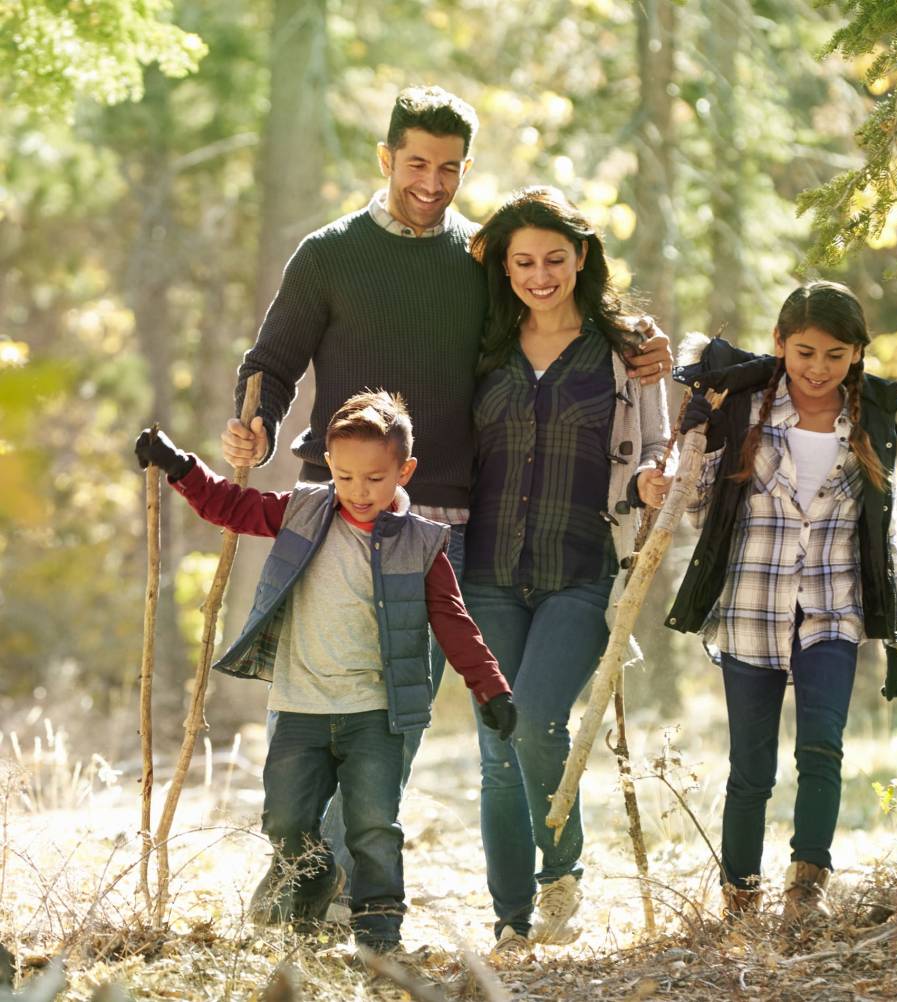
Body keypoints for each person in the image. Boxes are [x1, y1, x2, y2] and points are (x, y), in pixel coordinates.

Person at [218, 86, 671, 886]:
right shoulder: (328, 253)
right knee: (327, 700)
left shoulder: (478, 260)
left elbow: (553, 314)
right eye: (417, 163)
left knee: (400, 712)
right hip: (335, 512)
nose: (432, 182)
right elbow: (272, 365)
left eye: (451, 168)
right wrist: (252, 421)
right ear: (386, 157)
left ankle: (327, 884)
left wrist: (637, 340)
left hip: (444, 523)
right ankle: (300, 864)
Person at [134, 391, 516, 954]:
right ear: (329, 468)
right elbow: (232, 506)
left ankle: (379, 933)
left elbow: (453, 620)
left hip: (375, 713)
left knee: (373, 827)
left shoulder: (422, 542)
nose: (359, 492)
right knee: (285, 820)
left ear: (404, 471)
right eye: (344, 476)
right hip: (299, 706)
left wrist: (490, 686)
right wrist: (179, 466)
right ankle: (312, 878)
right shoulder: (304, 511)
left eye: (375, 478)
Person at [666, 281, 897, 925]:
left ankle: (806, 890)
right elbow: (696, 510)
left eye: (836, 354)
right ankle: (740, 901)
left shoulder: (870, 424)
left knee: (822, 750)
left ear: (858, 354)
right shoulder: (745, 409)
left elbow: (883, 535)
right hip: (751, 608)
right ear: (780, 345)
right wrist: (696, 440)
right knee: (750, 768)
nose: (818, 368)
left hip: (834, 611)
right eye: (805, 351)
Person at [462, 186, 673, 955]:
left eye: (555, 257)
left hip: (582, 568)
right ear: (507, 267)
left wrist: (654, 478)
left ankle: (561, 869)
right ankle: (510, 920)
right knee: (496, 746)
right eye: (524, 261)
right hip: (485, 570)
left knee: (539, 719)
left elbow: (661, 443)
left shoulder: (626, 349)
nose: (540, 274)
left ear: (582, 257)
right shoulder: (482, 340)